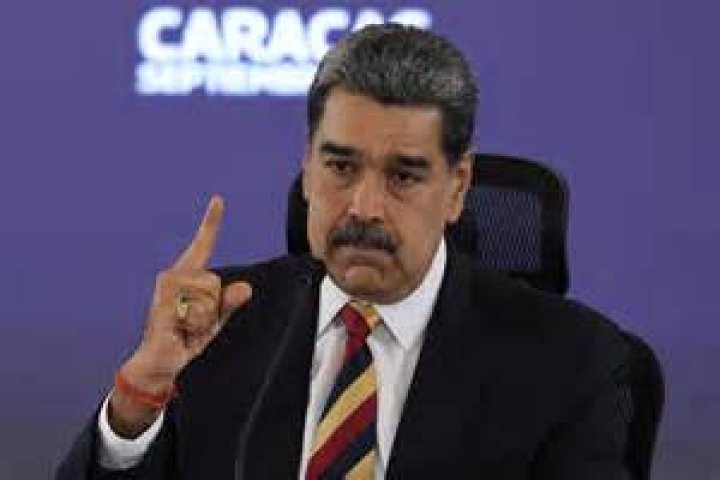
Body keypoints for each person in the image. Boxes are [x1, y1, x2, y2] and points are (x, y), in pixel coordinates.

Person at [58, 24, 632, 479]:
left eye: (403, 176)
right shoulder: (217, 327)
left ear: (458, 187)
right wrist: (138, 402)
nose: (364, 207)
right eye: (340, 166)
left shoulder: (569, 360)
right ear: (308, 167)